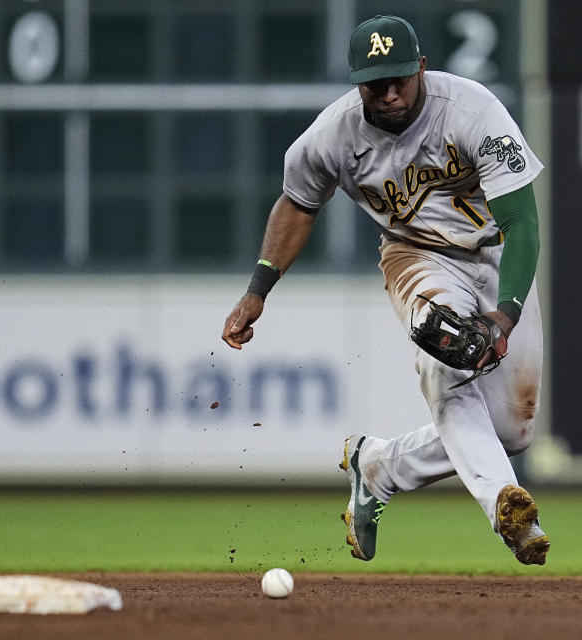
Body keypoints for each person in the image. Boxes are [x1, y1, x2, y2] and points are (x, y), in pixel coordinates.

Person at [222, 15, 549, 565]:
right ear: (357, 81)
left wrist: (506, 314)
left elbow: (523, 222)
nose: (391, 92)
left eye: (401, 77)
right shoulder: (333, 135)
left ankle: (378, 467)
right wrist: (258, 288)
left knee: (511, 431)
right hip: (417, 254)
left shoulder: (473, 111)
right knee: (445, 345)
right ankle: (509, 509)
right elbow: (298, 204)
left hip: (498, 251)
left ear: (422, 67)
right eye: (377, 82)